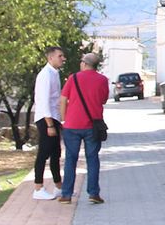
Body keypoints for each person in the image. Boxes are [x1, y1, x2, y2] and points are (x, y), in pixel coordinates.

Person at [58, 52, 109, 205]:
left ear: (84, 63)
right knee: (92, 159)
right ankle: (93, 193)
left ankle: (66, 195)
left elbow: (63, 99)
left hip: (72, 125)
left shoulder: (73, 78)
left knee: (71, 159)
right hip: (92, 126)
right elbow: (104, 100)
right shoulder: (102, 80)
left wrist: (63, 119)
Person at [30, 46, 66, 200]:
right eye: (60, 56)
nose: (63, 58)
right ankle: (38, 188)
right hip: (46, 119)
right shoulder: (45, 75)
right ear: (50, 58)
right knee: (43, 153)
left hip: (54, 118)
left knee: (56, 153)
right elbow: (43, 102)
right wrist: (49, 124)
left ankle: (59, 187)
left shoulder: (54, 73)